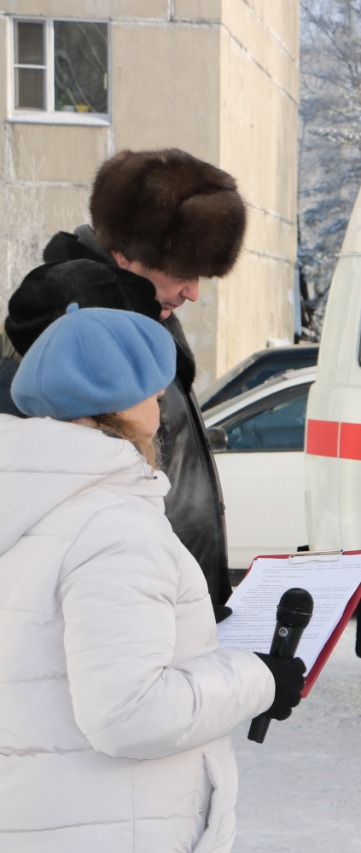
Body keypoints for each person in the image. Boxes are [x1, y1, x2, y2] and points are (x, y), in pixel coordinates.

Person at [0, 302, 304, 853]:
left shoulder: (26, 497)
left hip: (40, 816)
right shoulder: (111, 524)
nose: (161, 406)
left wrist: (189, 633)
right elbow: (128, 714)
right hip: (113, 826)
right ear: (114, 400)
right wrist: (258, 678)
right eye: (153, 390)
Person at [0, 148, 247, 615]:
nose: (193, 292)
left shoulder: (144, 319)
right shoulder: (60, 328)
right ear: (126, 255)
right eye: (183, 272)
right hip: (122, 599)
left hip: (163, 592)